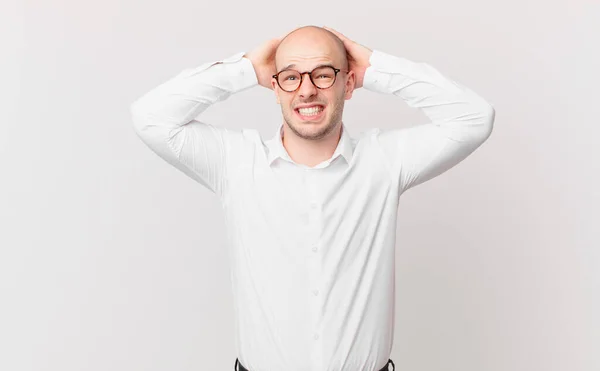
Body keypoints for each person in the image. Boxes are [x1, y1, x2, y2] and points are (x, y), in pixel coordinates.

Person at [130, 25, 495, 371]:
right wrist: (243, 69)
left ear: (348, 83)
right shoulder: (237, 163)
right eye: (291, 77)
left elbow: (475, 118)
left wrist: (374, 67)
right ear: (275, 88)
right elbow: (150, 116)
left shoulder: (383, 162)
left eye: (323, 74)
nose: (306, 91)